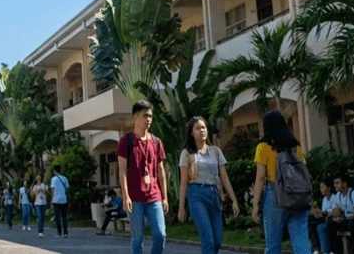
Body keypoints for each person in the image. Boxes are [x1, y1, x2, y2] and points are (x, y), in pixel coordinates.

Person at [176, 116, 240, 254]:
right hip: (196, 194)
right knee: (208, 240)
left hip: (214, 194)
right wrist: (181, 207)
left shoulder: (215, 151)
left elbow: (224, 177)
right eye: (198, 128)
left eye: (204, 127)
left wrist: (234, 200)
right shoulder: (186, 153)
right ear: (192, 133)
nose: (202, 131)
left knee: (217, 241)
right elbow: (183, 182)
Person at [252, 110, 312, 254]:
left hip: (276, 195)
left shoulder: (263, 147)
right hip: (299, 196)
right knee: (301, 241)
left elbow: (260, 178)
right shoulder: (294, 147)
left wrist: (255, 205)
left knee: (273, 244)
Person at [116, 100, 167, 254]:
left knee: (160, 235)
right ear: (136, 117)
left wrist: (164, 197)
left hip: (154, 196)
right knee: (137, 239)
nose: (149, 120)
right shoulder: (126, 141)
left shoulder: (157, 142)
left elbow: (161, 171)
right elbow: (122, 170)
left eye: (150, 116)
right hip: (135, 198)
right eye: (145, 116)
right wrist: (125, 196)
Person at [326, 174, 354, 254]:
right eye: (334, 183)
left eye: (337, 183)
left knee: (352, 225)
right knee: (332, 224)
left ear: (345, 184)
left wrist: (344, 219)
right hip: (349, 220)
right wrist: (334, 217)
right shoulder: (339, 195)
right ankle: (336, 251)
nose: (335, 185)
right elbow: (338, 211)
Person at [310, 181, 339, 254]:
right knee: (311, 223)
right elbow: (324, 212)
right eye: (320, 188)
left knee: (320, 226)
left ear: (329, 188)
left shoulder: (335, 197)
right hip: (325, 218)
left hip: (333, 219)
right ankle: (316, 248)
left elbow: (335, 212)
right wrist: (319, 214)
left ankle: (325, 251)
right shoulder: (324, 199)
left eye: (322, 187)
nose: (321, 189)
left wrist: (322, 213)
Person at [50, 165, 70, 238]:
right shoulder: (65, 178)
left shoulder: (54, 179)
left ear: (55, 171)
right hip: (64, 199)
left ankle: (59, 232)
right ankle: (65, 232)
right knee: (64, 217)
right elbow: (67, 189)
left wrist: (52, 199)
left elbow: (52, 189)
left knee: (57, 217)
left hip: (56, 200)